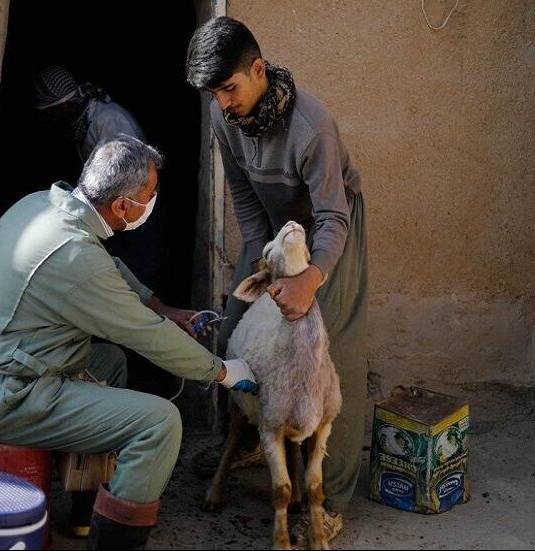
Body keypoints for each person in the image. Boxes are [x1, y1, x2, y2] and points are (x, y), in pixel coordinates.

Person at [0, 136, 257, 550]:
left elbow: (108, 268)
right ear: (122, 207)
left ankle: (83, 511)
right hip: (11, 395)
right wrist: (221, 371)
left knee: (109, 361)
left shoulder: (42, 205)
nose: (152, 203)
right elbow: (146, 334)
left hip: (13, 364)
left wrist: (161, 306)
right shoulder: (74, 256)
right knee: (159, 423)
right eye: (149, 195)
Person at [186, 16, 368, 542]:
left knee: (328, 347)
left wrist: (312, 278)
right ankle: (249, 441)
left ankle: (326, 497)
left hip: (333, 230)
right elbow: (246, 201)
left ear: (258, 69)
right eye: (214, 94)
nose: (222, 102)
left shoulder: (313, 128)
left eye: (229, 88)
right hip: (271, 230)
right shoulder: (226, 118)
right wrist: (257, 264)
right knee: (235, 328)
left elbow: (333, 216)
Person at [33, 65, 161, 289]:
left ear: (64, 105)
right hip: (113, 210)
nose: (52, 119)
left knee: (138, 268)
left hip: (131, 205)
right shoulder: (82, 121)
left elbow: (132, 173)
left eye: (53, 112)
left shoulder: (109, 120)